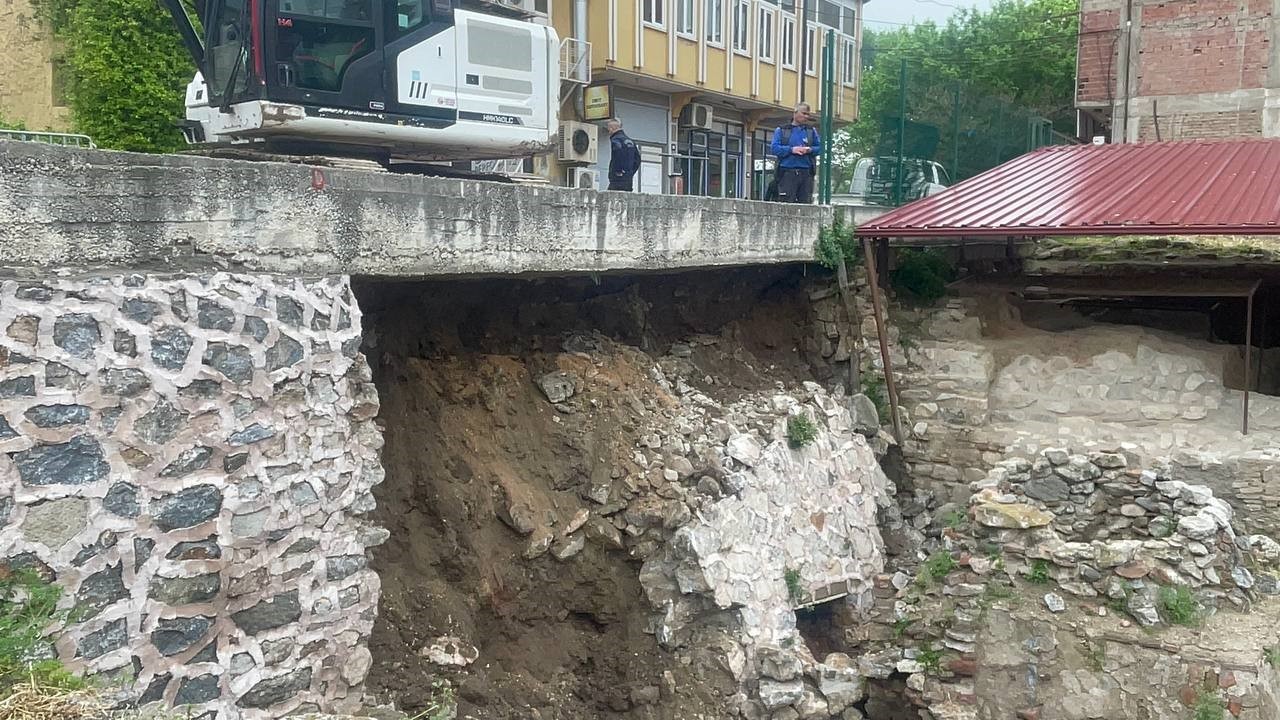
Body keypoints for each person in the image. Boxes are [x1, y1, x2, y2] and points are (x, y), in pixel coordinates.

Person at [770, 103, 822, 203]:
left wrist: (809, 150)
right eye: (803, 113)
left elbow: (820, 148)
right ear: (795, 113)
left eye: (808, 114)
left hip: (806, 173)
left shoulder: (811, 131)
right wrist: (792, 150)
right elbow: (774, 149)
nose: (806, 116)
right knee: (786, 202)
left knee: (805, 203)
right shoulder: (782, 130)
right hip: (787, 172)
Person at [606, 118, 641, 191]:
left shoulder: (615, 140)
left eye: (608, 128)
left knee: (610, 198)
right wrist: (629, 172)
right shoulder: (630, 141)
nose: (608, 131)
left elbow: (618, 154)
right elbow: (637, 160)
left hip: (617, 179)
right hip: (628, 180)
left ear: (612, 128)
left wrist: (618, 171)